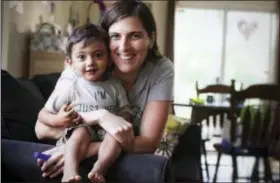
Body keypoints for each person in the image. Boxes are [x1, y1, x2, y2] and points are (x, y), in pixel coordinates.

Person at [3, 0, 174, 182]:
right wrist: (98, 117)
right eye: (115, 36)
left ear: (151, 39)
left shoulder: (160, 69)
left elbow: (148, 143)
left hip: (111, 153)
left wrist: (78, 151)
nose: (124, 46)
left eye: (135, 36)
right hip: (86, 142)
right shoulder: (80, 68)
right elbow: (41, 129)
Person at [38, 23, 133, 183]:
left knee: (114, 136)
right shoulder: (71, 87)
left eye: (98, 55)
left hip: (104, 133)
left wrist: (121, 120)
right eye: (82, 57)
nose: (90, 62)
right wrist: (57, 120)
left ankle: (100, 168)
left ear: (109, 59)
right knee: (81, 132)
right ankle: (70, 171)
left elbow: (125, 110)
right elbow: (43, 114)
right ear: (70, 62)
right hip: (78, 131)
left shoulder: (115, 85)